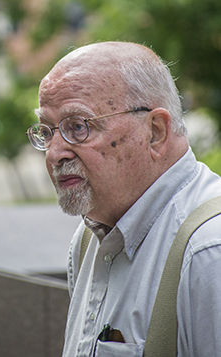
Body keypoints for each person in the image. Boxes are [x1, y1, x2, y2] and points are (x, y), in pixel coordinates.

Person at [26, 41, 221, 356]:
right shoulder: (89, 237)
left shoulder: (209, 251)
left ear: (155, 131)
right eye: (47, 131)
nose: (55, 153)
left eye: (78, 127)